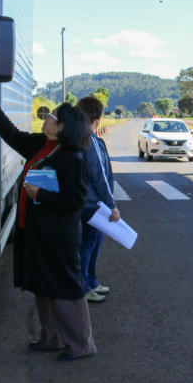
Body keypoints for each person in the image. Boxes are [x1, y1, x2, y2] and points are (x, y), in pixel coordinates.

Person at [0, 90, 97, 361]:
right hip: (35, 230)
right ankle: (51, 338)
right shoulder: (41, 144)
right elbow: (13, 136)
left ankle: (81, 345)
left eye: (51, 117)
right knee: (43, 285)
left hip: (58, 236)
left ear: (62, 127)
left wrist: (40, 194)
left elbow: (75, 200)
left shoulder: (72, 158)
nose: (46, 119)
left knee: (65, 288)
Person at [75, 96, 120, 303]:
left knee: (93, 246)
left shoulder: (81, 138)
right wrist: (112, 205)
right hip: (92, 205)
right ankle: (84, 288)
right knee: (87, 247)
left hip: (89, 204)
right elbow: (99, 176)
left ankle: (92, 282)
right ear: (96, 119)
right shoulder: (89, 141)